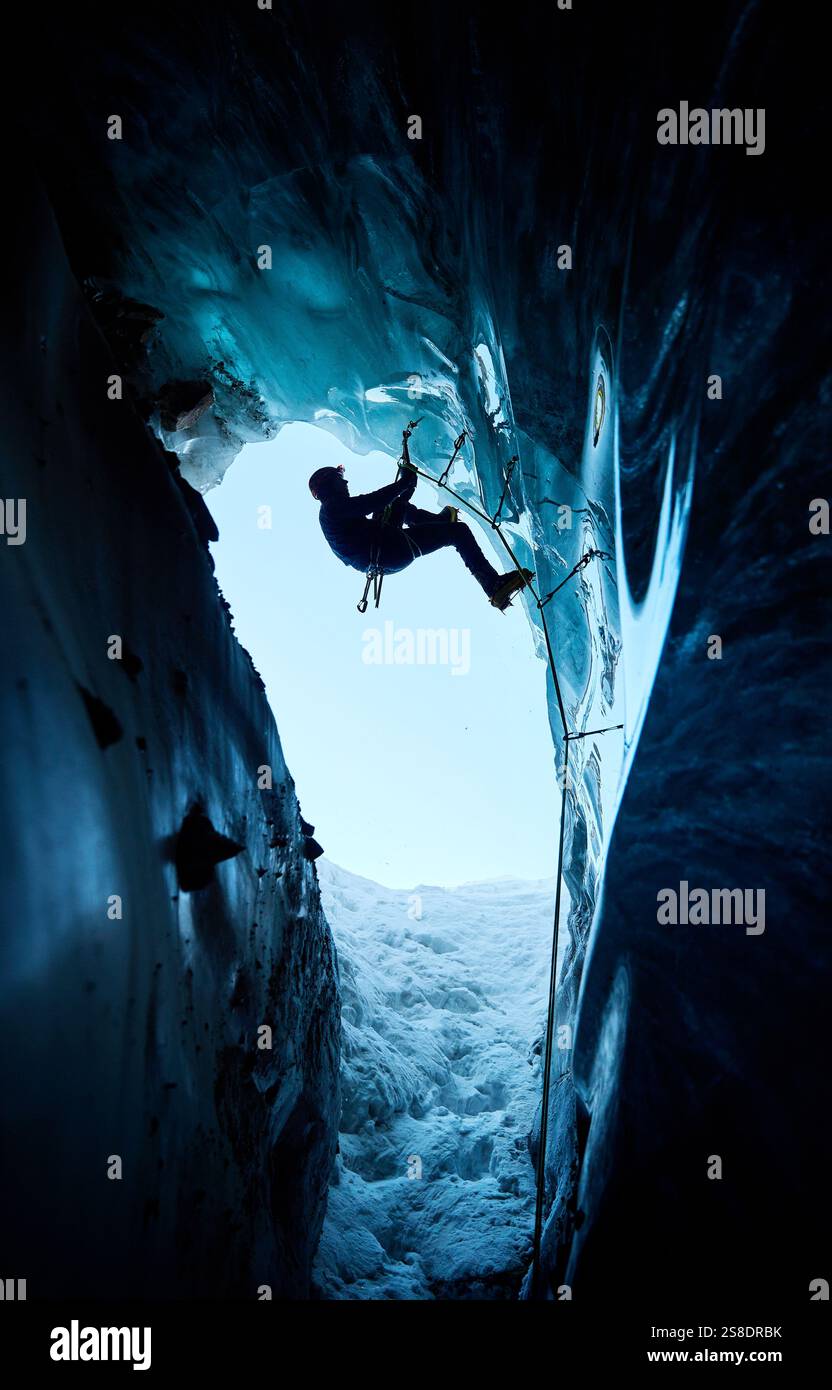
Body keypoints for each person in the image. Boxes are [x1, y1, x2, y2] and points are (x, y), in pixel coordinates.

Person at [308, 462, 532, 609]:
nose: (345, 481)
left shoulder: (333, 512)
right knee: (458, 532)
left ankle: (439, 522)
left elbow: (378, 505)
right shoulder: (331, 508)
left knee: (397, 506)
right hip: (388, 550)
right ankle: (493, 586)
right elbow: (371, 502)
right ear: (329, 484)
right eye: (340, 478)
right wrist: (404, 482)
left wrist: (406, 487)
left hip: (381, 550)